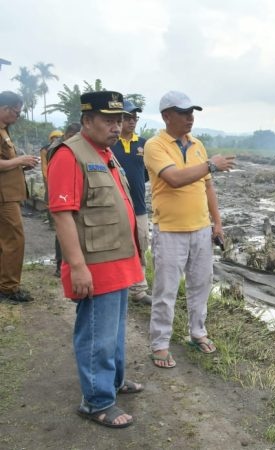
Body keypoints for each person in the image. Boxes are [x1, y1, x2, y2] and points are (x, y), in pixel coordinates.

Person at [48, 91, 144, 428]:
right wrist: (77, 267)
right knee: (95, 335)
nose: (117, 126)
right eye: (108, 119)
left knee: (115, 332)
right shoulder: (69, 155)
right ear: (87, 120)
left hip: (117, 261)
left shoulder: (105, 153)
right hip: (94, 266)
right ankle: (96, 401)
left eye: (119, 120)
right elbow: (62, 214)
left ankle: (113, 382)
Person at [144, 90, 235, 368]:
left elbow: (207, 186)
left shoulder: (197, 145)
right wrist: (210, 165)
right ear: (166, 116)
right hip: (170, 230)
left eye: (191, 113)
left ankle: (197, 332)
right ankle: (160, 343)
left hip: (200, 229)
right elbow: (173, 178)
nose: (190, 118)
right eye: (183, 113)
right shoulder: (155, 146)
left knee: (201, 284)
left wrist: (216, 222)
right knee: (166, 288)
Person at [111, 100, 151, 305]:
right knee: (116, 246)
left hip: (139, 206)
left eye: (135, 118)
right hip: (114, 207)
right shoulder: (111, 143)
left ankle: (138, 289)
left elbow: (145, 174)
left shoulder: (143, 144)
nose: (132, 121)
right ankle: (117, 286)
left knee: (141, 244)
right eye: (128, 117)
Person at [0, 91, 39, 303]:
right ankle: (8, 288)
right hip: (3, 197)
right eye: (16, 112)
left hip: (9, 194)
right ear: (6, 109)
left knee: (6, 240)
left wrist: (21, 163)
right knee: (15, 239)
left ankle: (4, 283)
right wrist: (19, 160)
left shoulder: (4, 130)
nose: (18, 116)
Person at [47, 123, 82, 277]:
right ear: (68, 135)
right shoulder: (57, 150)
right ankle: (60, 264)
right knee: (63, 228)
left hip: (72, 189)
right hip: (61, 191)